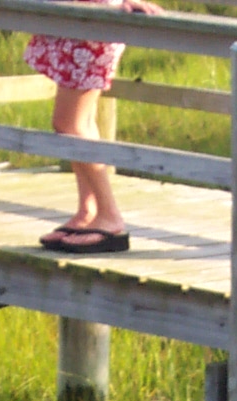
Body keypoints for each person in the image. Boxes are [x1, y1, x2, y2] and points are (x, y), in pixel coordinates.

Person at [25, 0, 163, 254]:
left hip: (95, 22)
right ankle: (88, 212)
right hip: (80, 19)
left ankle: (109, 214)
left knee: (69, 124)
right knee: (81, 122)